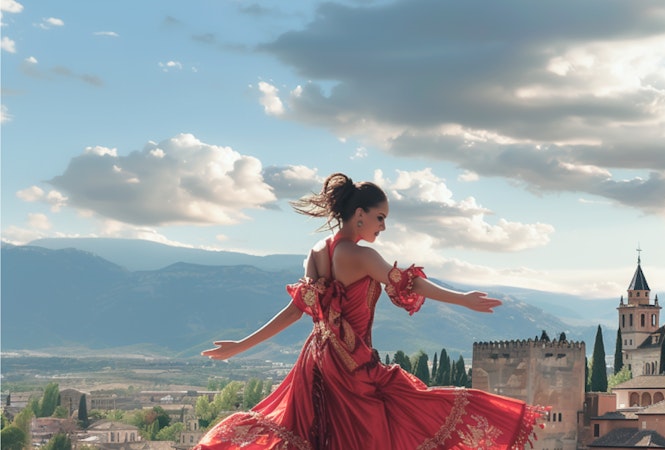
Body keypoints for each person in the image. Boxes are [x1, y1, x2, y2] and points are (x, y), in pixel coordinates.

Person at [194, 173, 546, 450]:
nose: (383, 226)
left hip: (316, 363)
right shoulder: (361, 256)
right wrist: (462, 298)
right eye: (380, 217)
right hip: (351, 366)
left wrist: (240, 346)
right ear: (359, 214)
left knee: (311, 435)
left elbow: (293, 312)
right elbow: (410, 285)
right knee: (390, 423)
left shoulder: (315, 252)